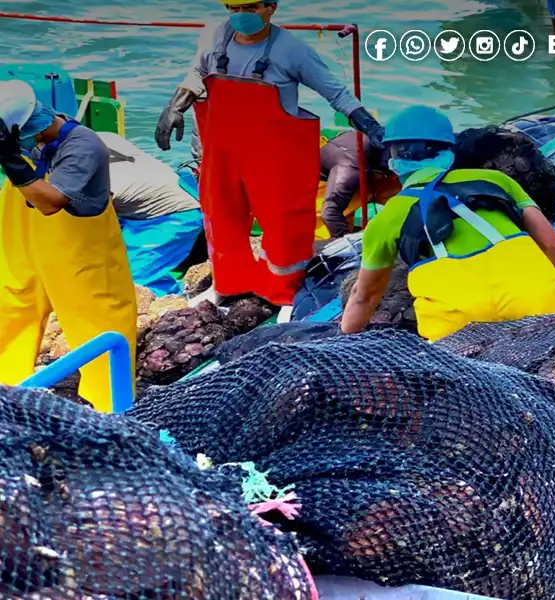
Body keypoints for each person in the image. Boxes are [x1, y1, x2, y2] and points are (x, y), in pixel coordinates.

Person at [154, 0, 386, 306]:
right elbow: (197, 72)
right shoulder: (214, 37)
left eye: (250, 7)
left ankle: (281, 294)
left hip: (275, 158)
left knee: (284, 225)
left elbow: (336, 92)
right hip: (222, 151)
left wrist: (371, 126)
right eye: (233, 8)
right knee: (220, 217)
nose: (240, 16)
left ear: (271, 7)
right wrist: (176, 106)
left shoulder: (291, 50)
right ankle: (229, 285)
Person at [340, 106, 555, 341]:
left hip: (457, 328)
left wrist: (343, 336)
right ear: (449, 150)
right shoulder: (497, 180)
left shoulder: (385, 219)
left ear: (394, 157)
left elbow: (365, 295)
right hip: (539, 306)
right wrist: (547, 290)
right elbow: (554, 246)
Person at [0, 80, 138, 413]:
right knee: (11, 305)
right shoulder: (30, 137)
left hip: (80, 249)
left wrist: (12, 161)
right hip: (26, 236)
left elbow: (51, 203)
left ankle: (111, 410)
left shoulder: (83, 145)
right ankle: (7, 386)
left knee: (97, 321)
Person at [101, 132, 206, 296]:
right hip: (183, 190)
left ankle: (169, 302)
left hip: (174, 215)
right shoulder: (102, 137)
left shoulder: (90, 183)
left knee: (132, 281)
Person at [317, 130, 398, 239]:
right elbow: (330, 211)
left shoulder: (388, 137)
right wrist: (347, 244)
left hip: (370, 170)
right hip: (323, 185)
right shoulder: (349, 170)